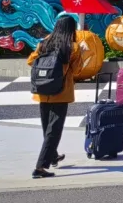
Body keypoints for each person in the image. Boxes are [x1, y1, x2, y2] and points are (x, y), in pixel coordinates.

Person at [26, 15, 83, 179]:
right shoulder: (72, 47)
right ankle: (40, 167)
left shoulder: (44, 43)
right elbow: (78, 70)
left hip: (42, 91)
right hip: (61, 92)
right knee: (54, 130)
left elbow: (31, 61)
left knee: (47, 128)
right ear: (71, 29)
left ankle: (52, 156)